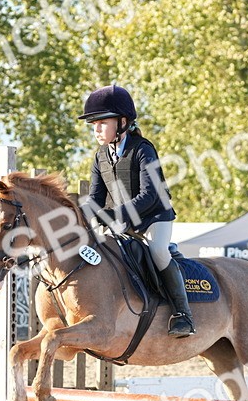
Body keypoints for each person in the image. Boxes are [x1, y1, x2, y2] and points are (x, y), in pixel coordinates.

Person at [79, 84, 195, 338]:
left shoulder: (143, 149)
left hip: (154, 218)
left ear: (122, 122)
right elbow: (96, 198)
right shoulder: (100, 156)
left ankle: (182, 313)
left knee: (158, 251)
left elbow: (149, 195)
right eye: (93, 125)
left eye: (101, 123)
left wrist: (114, 215)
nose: (96, 130)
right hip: (122, 223)